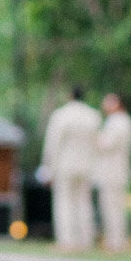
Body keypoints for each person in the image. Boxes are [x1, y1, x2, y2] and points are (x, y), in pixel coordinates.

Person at [40, 87, 101, 251]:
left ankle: (66, 241)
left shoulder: (61, 115)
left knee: (64, 202)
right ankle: (86, 240)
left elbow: (53, 144)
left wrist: (48, 168)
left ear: (69, 96)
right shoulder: (93, 116)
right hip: (87, 165)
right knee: (84, 203)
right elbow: (97, 143)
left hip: (64, 165)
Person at [93, 93, 131, 253]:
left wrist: (94, 136)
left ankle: (115, 242)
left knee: (112, 208)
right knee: (113, 207)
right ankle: (115, 240)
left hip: (112, 172)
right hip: (116, 171)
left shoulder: (118, 121)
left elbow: (105, 144)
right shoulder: (124, 121)